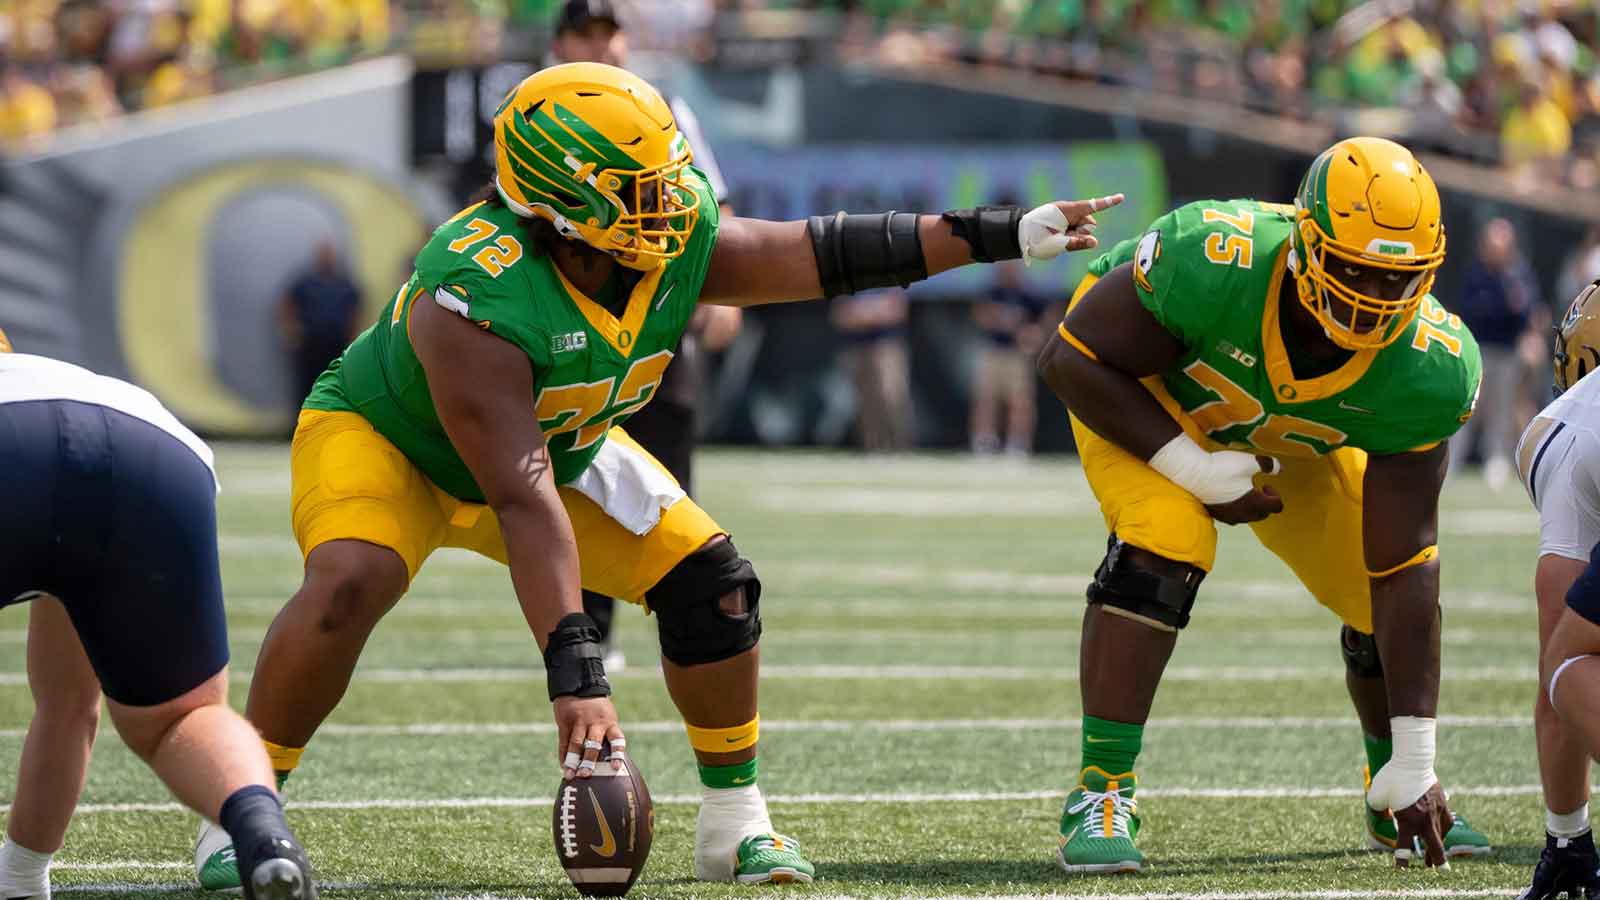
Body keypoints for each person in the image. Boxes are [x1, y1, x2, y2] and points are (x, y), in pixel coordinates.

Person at [194, 61, 1120, 890]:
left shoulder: (665, 243)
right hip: (393, 443)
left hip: (560, 449)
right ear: (561, 198)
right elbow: (521, 497)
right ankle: (241, 808)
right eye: (643, 188)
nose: (671, 202)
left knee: (714, 588)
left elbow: (816, 253)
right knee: (354, 578)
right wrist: (577, 671)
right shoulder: (474, 291)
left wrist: (999, 233)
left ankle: (733, 824)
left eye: (669, 177)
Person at [1037, 136, 1491, 874]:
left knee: (1375, 590)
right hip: (1142, 398)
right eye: (1353, 271)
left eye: (1395, 279)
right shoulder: (1216, 255)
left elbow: (1406, 560)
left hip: (1281, 434)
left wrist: (1417, 756)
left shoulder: (1431, 368)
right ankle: (1103, 789)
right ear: (1309, 244)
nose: (1373, 300)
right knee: (1168, 535)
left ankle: (1393, 788)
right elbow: (1070, 359)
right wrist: (1194, 468)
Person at [0, 328, 317, 900]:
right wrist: (21, 877)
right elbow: (69, 707)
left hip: (16, 439)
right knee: (178, 719)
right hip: (153, 445)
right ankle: (261, 833)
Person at [548, 0, 743, 673]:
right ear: (559, 43)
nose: (599, 47)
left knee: (668, 468)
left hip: (656, 316)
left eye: (609, 34)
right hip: (569, 324)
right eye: (584, 33)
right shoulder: (535, 112)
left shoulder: (661, 109)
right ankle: (585, 629)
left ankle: (682, 615)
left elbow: (708, 200)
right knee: (577, 472)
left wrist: (722, 291)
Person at [1515, 280, 1600, 900]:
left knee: (1567, 660)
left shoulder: (1567, 425)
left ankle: (1569, 842)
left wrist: (1565, 835)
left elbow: (1564, 638)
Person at [1450, 218, 1540, 491]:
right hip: (1477, 351)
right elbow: (1468, 310)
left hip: (1507, 352)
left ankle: (1497, 461)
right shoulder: (1475, 274)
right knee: (1467, 407)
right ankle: (1453, 460)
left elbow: (1527, 312)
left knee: (1501, 410)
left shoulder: (1519, 274)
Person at [970, 259, 1050, 455]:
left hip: (1017, 355)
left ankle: (1018, 443)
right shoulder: (992, 291)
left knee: (1020, 400)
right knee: (986, 397)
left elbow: (1046, 321)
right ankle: (984, 440)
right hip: (994, 350)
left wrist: (1033, 334)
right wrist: (1000, 320)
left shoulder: (1028, 294)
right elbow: (980, 314)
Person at [279, 239, 364, 410]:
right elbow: (286, 304)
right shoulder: (305, 282)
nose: (327, 258)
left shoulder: (344, 284)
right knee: (305, 387)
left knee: (334, 385)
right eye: (324, 255)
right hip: (310, 344)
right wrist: (290, 331)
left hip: (337, 344)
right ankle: (301, 425)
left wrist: (353, 337)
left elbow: (355, 310)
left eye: (330, 255)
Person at [830, 288, 914, 452]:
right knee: (865, 400)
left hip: (887, 345)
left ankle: (901, 447)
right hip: (856, 346)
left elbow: (897, 310)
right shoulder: (847, 276)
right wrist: (874, 312)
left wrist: (861, 314)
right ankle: (873, 448)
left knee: (892, 395)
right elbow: (839, 315)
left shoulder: (889, 274)